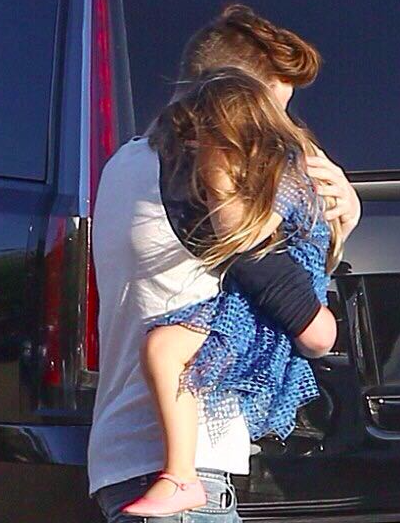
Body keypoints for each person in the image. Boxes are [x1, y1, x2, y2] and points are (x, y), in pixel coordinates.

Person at [88, 5, 361, 523]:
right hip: (183, 476)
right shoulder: (204, 182)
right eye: (270, 112)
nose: (278, 131)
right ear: (230, 101)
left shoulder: (124, 163)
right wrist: (337, 223)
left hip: (123, 460)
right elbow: (311, 329)